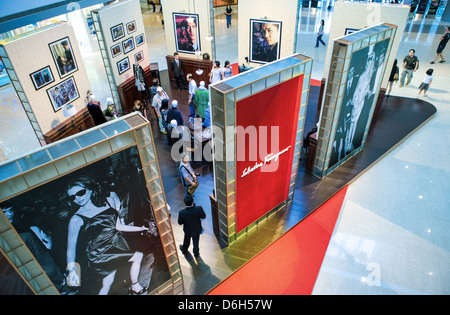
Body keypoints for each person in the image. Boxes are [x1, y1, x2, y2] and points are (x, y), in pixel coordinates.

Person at [65, 176, 149, 295]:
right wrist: (72, 272)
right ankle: (135, 286)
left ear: (90, 189)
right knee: (138, 256)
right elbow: (70, 250)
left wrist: (140, 228)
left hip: (115, 246)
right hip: (99, 253)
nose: (77, 198)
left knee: (107, 282)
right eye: (72, 197)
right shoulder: (76, 219)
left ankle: (134, 287)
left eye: (80, 193)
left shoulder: (108, 201)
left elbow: (118, 226)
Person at [178, 194, 206, 258]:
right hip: (197, 229)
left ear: (185, 203)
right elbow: (203, 216)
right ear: (192, 201)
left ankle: (184, 249)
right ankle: (196, 253)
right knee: (196, 242)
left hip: (187, 230)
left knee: (186, 240)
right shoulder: (199, 208)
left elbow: (180, 223)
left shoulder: (181, 212)